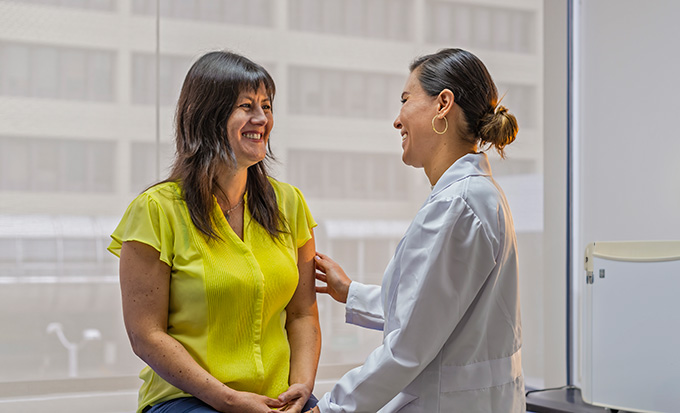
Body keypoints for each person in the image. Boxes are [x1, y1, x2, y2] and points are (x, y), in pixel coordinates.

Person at [310, 48, 525, 412]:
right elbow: (431, 310)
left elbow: (408, 346)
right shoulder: (475, 196)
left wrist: (327, 409)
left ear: (443, 104)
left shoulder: (457, 205)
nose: (397, 120)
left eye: (406, 100)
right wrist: (351, 293)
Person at [108, 51, 321, 413]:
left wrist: (301, 388)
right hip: (188, 399)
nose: (261, 119)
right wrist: (229, 399)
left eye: (267, 106)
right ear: (207, 116)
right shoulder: (156, 210)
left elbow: (302, 314)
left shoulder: (290, 203)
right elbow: (146, 335)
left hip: (276, 398)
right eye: (246, 106)